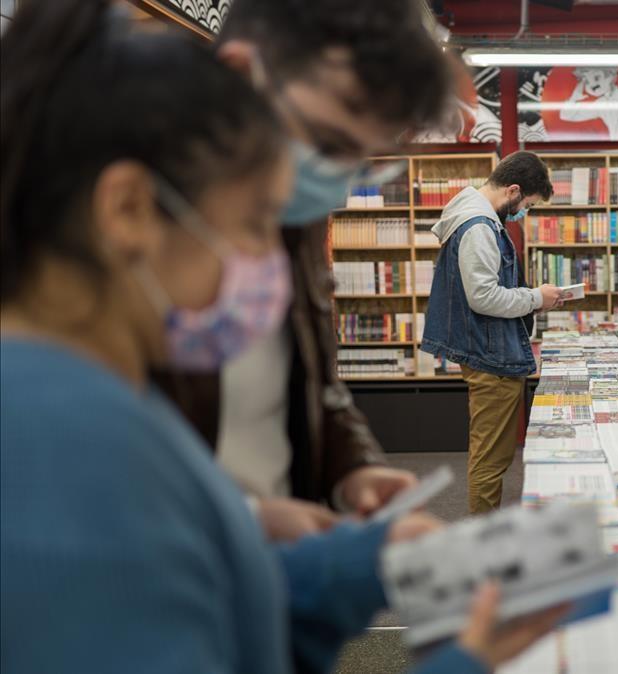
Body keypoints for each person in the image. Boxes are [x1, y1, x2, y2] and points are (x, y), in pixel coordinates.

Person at [0, 3, 559, 672]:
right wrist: (468, 662)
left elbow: (207, 601)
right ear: (127, 211)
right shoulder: (67, 445)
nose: (262, 264)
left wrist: (342, 560)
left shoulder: (97, 406)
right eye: (253, 221)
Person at [158, 0, 455, 542]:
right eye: (329, 144)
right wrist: (245, 525)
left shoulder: (292, 213)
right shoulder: (108, 240)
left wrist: (351, 471)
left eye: (365, 164)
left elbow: (313, 381)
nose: (339, 186)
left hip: (264, 585)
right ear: (241, 77)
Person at [421, 151, 562, 513]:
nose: (522, 213)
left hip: (490, 350)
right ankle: (485, 542)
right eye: (526, 205)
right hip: (490, 356)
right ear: (513, 190)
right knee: (491, 459)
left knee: (493, 456)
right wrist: (536, 298)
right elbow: (483, 297)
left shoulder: (475, 217)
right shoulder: (479, 227)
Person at [561, 66, 618, 140]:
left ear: (610, 76)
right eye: (587, 82)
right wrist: (573, 98)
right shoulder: (601, 103)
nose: (592, 85)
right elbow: (566, 116)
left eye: (597, 77)